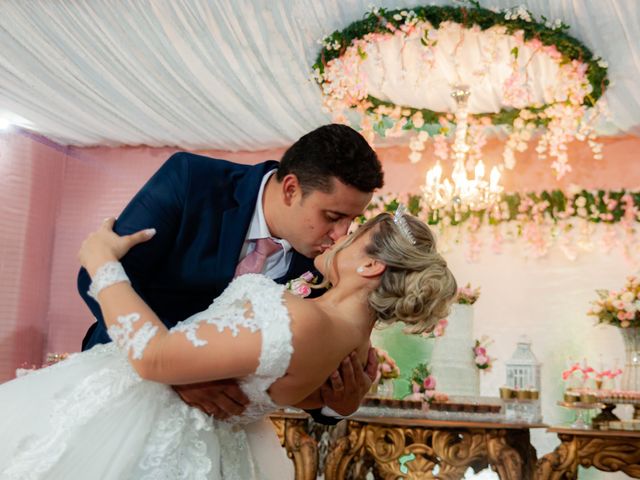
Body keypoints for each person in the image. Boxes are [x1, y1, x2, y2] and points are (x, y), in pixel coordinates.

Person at [0, 207, 457, 479]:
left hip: (145, 426)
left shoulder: (304, 321)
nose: (340, 235)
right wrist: (340, 408)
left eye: (355, 235)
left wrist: (100, 264)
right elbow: (299, 392)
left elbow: (154, 358)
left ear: (373, 267)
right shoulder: (357, 349)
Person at [77, 123, 385, 422]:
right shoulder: (191, 180)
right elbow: (99, 274)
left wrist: (336, 407)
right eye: (333, 217)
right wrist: (183, 370)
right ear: (291, 190)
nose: (341, 235)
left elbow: (303, 365)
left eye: (352, 221)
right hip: (122, 385)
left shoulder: (324, 267)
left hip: (218, 428)